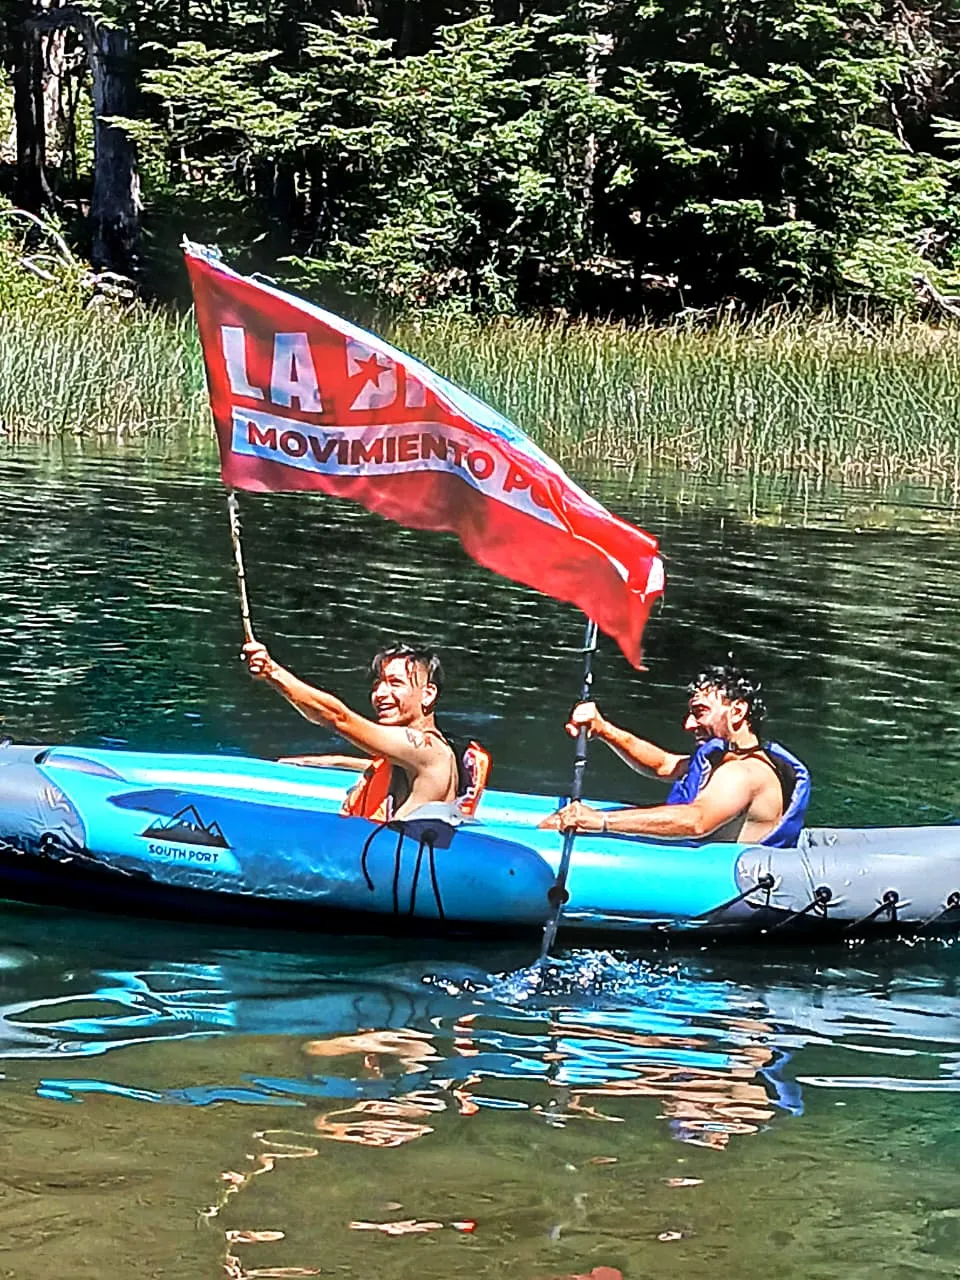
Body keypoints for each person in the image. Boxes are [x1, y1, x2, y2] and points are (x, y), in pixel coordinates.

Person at [539, 663, 809, 846]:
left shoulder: (743, 773)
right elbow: (663, 764)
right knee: (553, 822)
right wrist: (604, 729)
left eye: (700, 712)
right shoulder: (726, 759)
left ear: (737, 711)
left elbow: (696, 822)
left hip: (721, 885)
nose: (689, 724)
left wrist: (601, 820)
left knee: (559, 826)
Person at [242, 639, 489, 822]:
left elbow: (337, 718)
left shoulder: (425, 748)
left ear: (428, 694)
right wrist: (334, 761)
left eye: (395, 683)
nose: (380, 694)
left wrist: (272, 672)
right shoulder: (431, 750)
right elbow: (391, 765)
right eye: (377, 684)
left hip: (392, 876)